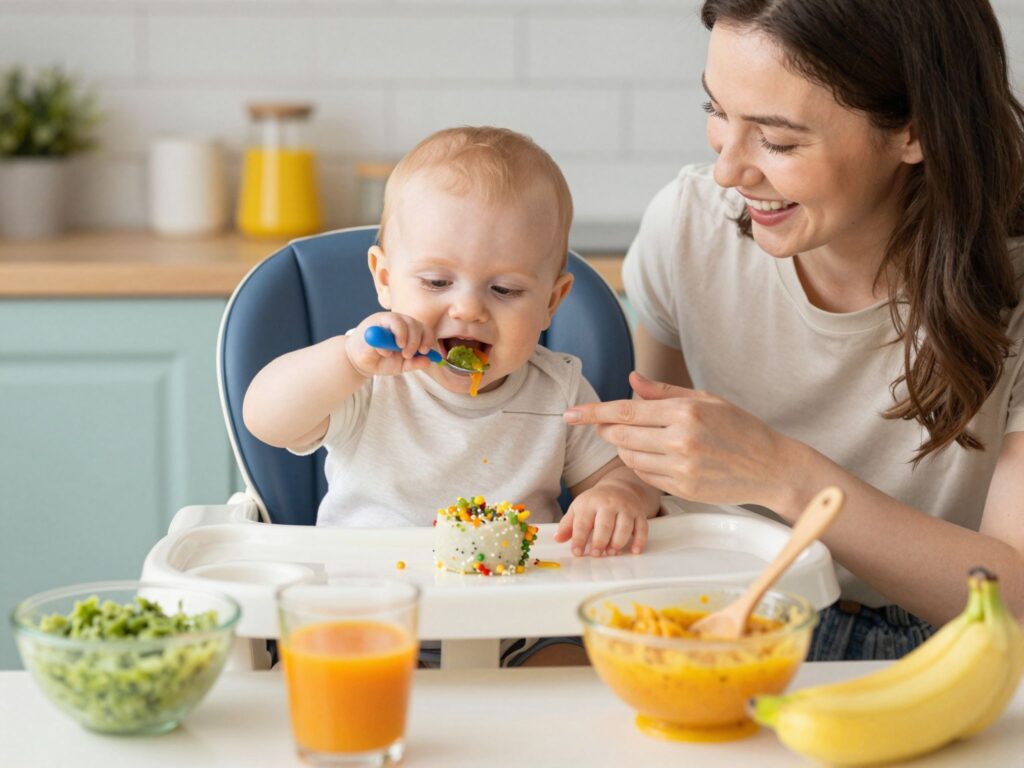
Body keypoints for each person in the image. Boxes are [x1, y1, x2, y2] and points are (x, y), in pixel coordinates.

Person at [564, 0, 1024, 661]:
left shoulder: (1013, 283)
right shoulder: (689, 229)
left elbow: (1013, 593)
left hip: (955, 651)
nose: (728, 171)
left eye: (778, 141)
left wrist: (784, 475)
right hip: (736, 621)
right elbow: (643, 471)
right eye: (717, 112)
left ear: (915, 132)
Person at [243, 125, 662, 666]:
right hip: (366, 620)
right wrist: (347, 359)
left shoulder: (558, 388)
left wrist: (621, 497)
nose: (468, 309)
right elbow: (266, 419)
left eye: (505, 290)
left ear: (552, 302)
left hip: (516, 628)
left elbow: (621, 474)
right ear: (385, 278)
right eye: (437, 283)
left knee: (584, 670)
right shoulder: (368, 380)